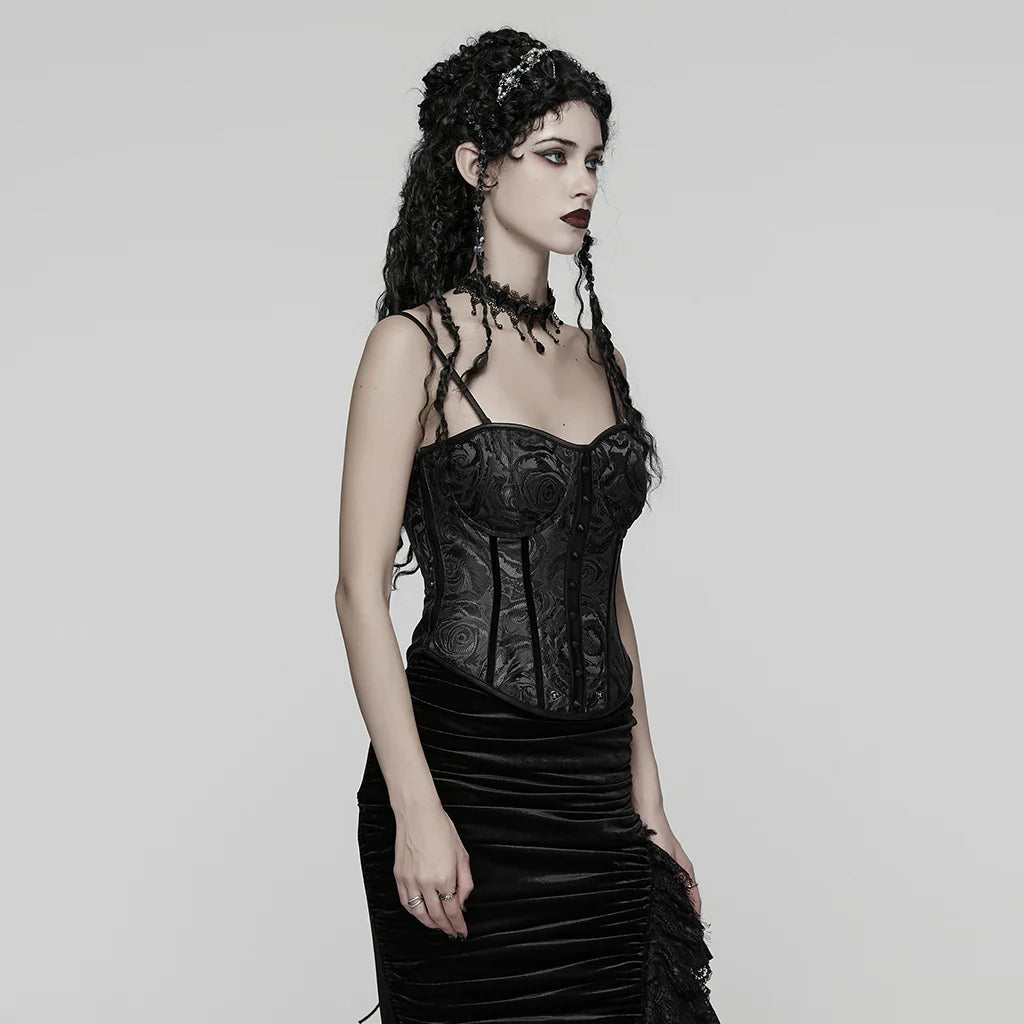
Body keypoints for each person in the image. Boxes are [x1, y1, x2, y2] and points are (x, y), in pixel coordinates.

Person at [335, 28, 721, 1024]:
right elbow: (358, 595)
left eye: (593, 159)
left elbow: (606, 591)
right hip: (462, 774)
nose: (582, 181)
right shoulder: (411, 347)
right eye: (553, 155)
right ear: (477, 166)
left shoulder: (598, 358)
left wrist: (649, 803)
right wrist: (417, 808)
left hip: (594, 784)